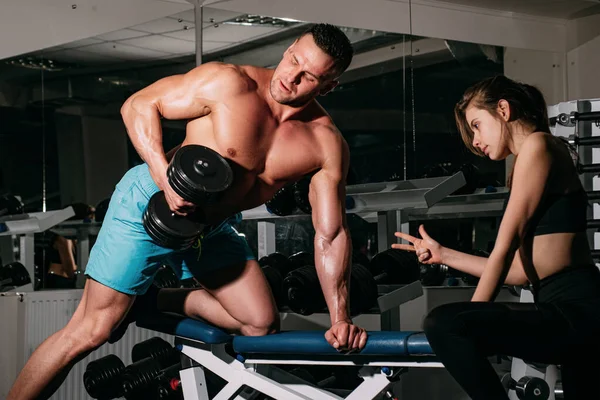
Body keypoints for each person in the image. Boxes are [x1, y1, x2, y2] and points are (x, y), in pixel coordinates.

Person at [7, 23, 368, 400]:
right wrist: (164, 178)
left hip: (210, 228)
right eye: (294, 58)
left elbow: (331, 233)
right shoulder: (228, 84)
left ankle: (153, 300)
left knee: (259, 324)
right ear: (289, 47)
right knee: (91, 331)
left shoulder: (325, 144)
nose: (290, 76)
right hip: (151, 202)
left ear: (327, 86)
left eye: (308, 75)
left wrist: (340, 317)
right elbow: (138, 105)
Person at [394, 75, 600, 400]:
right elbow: (518, 271)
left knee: (444, 323)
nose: (475, 140)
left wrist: (472, 319)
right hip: (569, 312)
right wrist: (444, 254)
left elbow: (504, 248)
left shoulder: (538, 145)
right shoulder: (530, 158)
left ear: (503, 109)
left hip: (580, 311)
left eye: (476, 125)